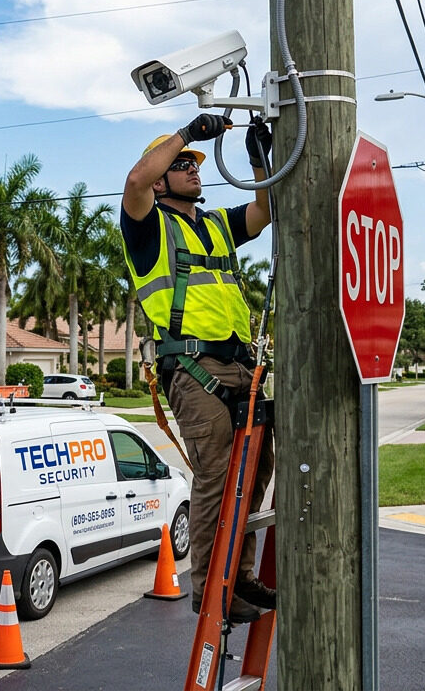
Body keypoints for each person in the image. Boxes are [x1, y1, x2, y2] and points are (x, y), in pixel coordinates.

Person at [119, 112, 275, 624]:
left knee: (254, 474)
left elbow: (263, 210)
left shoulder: (214, 224)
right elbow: (136, 180)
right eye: (182, 164)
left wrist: (259, 157)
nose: (194, 169)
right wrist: (186, 132)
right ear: (163, 177)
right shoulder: (147, 227)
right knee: (215, 475)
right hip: (193, 368)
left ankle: (242, 576)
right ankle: (211, 589)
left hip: (240, 366)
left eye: (194, 164)